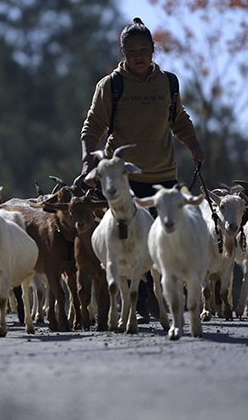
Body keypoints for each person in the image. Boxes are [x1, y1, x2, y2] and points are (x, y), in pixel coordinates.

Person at [79, 17, 205, 323]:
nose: (138, 55)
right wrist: (88, 159)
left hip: (163, 177)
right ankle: (134, 301)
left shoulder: (168, 82)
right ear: (122, 51)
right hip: (125, 182)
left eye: (144, 49)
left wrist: (194, 146)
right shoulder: (112, 85)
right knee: (126, 241)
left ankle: (162, 297)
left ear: (153, 50)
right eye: (132, 50)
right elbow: (93, 125)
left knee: (166, 239)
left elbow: (179, 119)